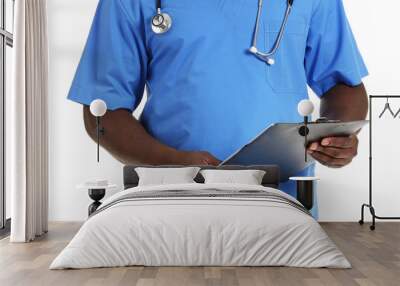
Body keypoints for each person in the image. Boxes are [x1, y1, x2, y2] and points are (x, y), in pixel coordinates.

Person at [68, 0, 368, 217]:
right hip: (173, 199)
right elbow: (102, 112)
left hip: (281, 199)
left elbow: (343, 85)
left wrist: (335, 134)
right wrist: (172, 162)